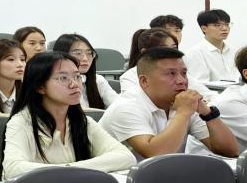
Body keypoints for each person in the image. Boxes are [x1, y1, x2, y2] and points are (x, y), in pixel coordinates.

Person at [3, 51, 133, 179]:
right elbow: (13, 169)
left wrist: (71, 169)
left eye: (77, 76)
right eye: (63, 78)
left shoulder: (82, 121)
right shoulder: (21, 122)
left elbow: (126, 157)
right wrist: (72, 170)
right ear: (40, 87)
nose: (74, 84)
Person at [100, 47, 239, 160]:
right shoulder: (126, 107)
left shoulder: (183, 102)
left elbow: (230, 151)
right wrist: (183, 113)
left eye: (184, 73)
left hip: (165, 177)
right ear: (144, 81)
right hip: (119, 182)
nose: (182, 81)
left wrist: (207, 113)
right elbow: (156, 155)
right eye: (171, 74)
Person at [120, 29, 217, 101]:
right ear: (145, 52)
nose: (170, 53)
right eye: (163, 49)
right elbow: (136, 104)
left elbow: (208, 95)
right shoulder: (129, 77)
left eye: (174, 48)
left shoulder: (179, 73)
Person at [52, 33, 117, 109]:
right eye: (78, 53)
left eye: (89, 53)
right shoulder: (56, 83)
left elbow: (119, 106)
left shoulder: (98, 80)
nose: (85, 59)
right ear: (62, 55)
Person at [183, 9, 239, 84]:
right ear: (204, 28)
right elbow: (201, 84)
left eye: (227, 24)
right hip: (213, 91)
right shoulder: (194, 53)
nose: (225, 28)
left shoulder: (235, 51)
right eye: (218, 25)